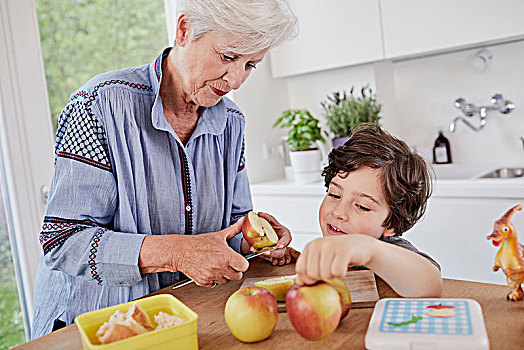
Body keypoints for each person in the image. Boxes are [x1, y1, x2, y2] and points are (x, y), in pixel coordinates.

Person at [32, 0, 299, 339]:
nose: (235, 80)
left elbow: (232, 229)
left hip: (184, 322)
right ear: (184, 29)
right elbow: (63, 242)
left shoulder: (231, 124)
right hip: (97, 329)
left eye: (251, 65)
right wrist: (177, 253)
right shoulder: (98, 105)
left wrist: (256, 241)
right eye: (228, 57)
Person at [295, 123, 443, 297]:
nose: (338, 213)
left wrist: (370, 250)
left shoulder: (389, 250)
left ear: (391, 224)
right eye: (335, 195)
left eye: (362, 206)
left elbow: (431, 285)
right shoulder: (331, 248)